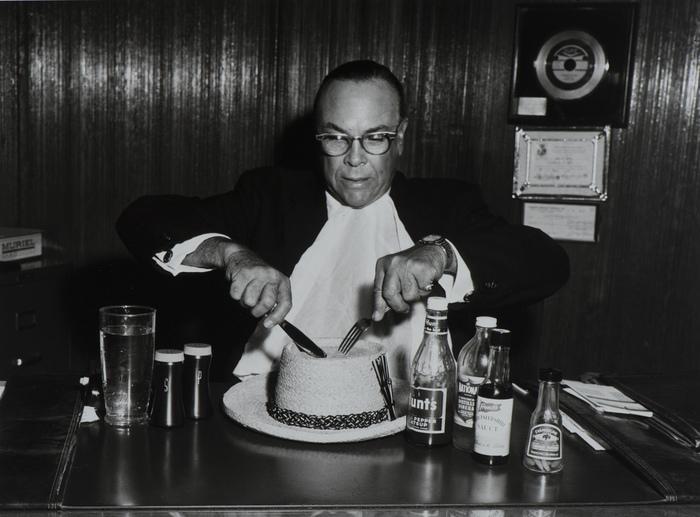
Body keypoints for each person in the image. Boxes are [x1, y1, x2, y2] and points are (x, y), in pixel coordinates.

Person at [117, 60, 569, 379]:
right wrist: (231, 254)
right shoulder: (270, 194)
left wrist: (442, 255)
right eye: (336, 137)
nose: (354, 159)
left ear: (401, 137)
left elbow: (547, 261)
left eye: (375, 138)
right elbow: (143, 218)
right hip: (265, 409)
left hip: (410, 420)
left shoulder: (448, 204)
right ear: (317, 137)